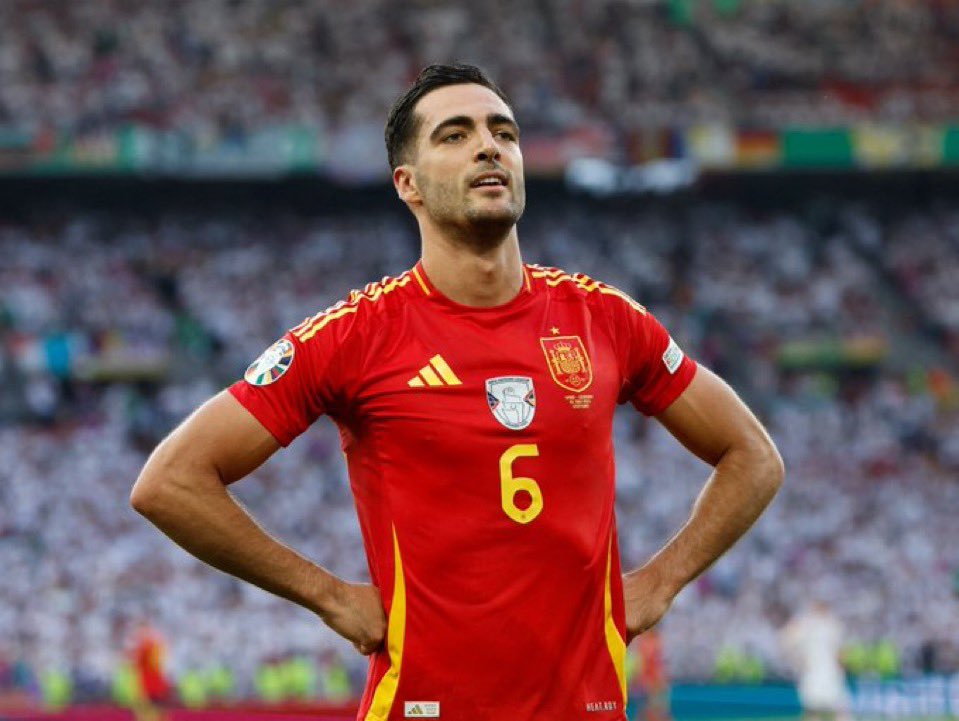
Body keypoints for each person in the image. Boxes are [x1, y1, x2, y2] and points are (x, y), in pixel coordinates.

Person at [130, 63, 784, 721]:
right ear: (407, 183)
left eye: (504, 132)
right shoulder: (356, 335)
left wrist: (660, 582)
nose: (488, 146)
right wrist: (328, 595)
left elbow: (753, 456)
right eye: (455, 134)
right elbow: (171, 482)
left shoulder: (603, 318)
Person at [780, 601, 851, 721]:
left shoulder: (806, 624)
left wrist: (797, 661)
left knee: (815, 711)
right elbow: (841, 653)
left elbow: (786, 641)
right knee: (838, 710)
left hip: (818, 673)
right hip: (824, 673)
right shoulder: (831, 624)